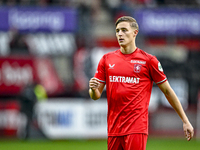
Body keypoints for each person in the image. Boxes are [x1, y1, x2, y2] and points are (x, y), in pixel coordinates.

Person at [89, 16, 194, 150]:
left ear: (135, 32)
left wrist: (185, 121)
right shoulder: (106, 59)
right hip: (114, 128)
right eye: (117, 31)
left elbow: (168, 91)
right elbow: (95, 95)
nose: (120, 34)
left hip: (136, 128)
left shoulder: (149, 61)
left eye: (124, 30)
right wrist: (93, 89)